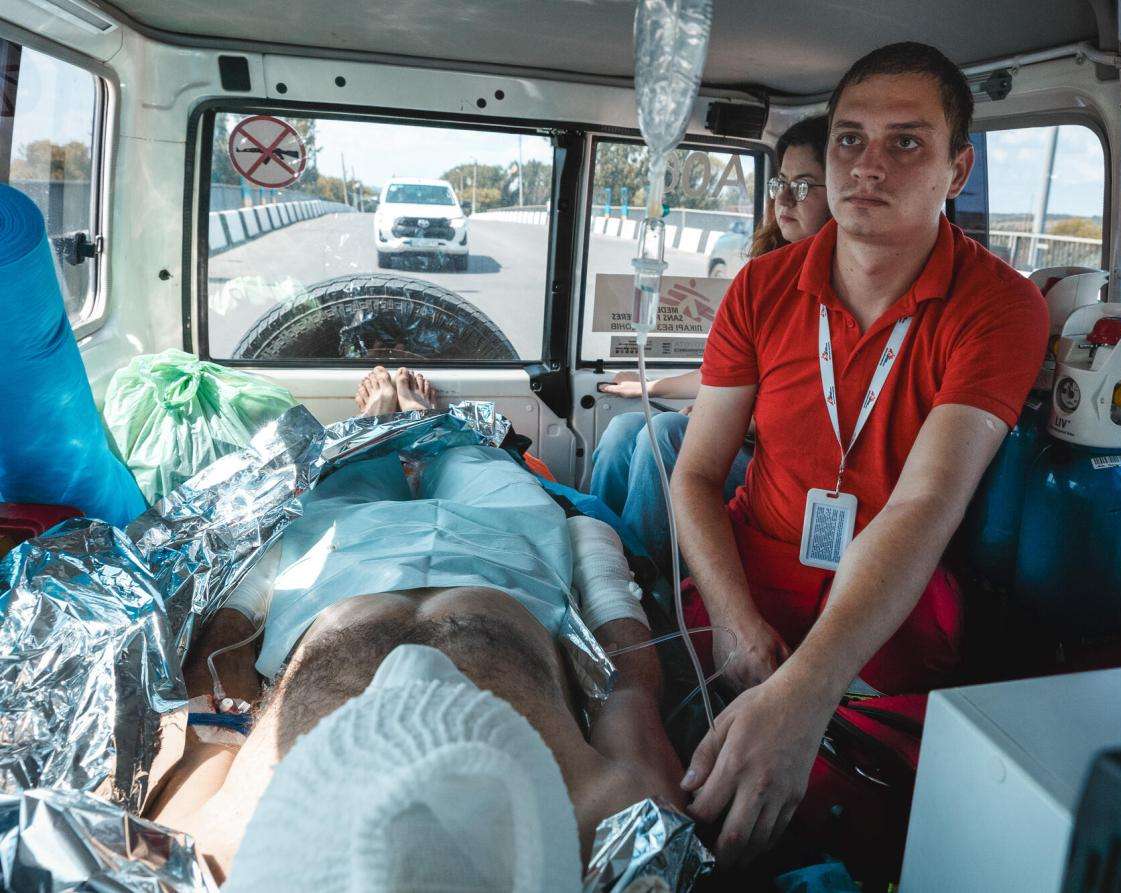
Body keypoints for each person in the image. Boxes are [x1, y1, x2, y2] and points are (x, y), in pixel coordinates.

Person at [670, 42, 1048, 866]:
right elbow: (695, 475)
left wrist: (806, 689)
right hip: (746, 577)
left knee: (839, 814)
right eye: (849, 138)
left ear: (957, 168)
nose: (867, 165)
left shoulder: (999, 306)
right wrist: (736, 627)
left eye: (906, 142)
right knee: (674, 773)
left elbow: (924, 506)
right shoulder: (761, 288)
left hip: (889, 604)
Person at [149, 366, 684, 883]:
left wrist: (258, 587)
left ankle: (381, 423)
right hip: (509, 558)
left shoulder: (223, 847)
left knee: (349, 471)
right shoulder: (600, 829)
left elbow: (211, 715)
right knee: (472, 457)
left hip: (335, 571)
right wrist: (594, 552)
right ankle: (431, 426)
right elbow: (628, 692)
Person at [590, 116, 832, 571]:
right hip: (742, 434)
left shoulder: (845, 286)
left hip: (778, 462)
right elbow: (726, 376)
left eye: (803, 187)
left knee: (663, 438)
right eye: (780, 182)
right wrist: (652, 387)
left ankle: (652, 589)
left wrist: (723, 419)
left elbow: (814, 405)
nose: (782, 198)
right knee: (625, 429)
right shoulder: (767, 275)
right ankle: (599, 562)